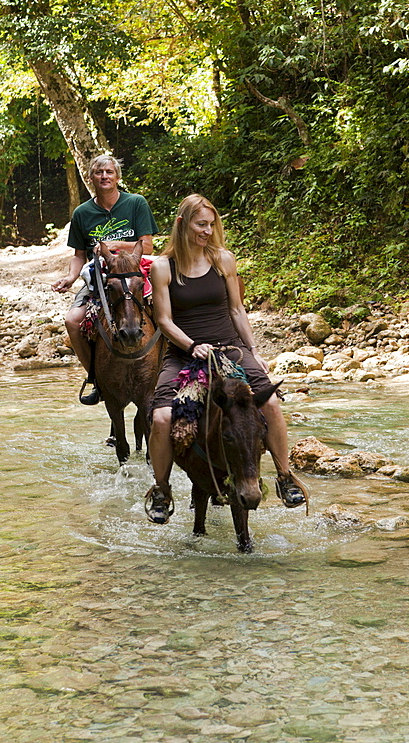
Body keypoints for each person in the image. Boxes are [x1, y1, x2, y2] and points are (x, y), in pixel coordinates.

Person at [145, 193, 307, 524]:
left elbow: (236, 309)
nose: (207, 231)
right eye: (200, 224)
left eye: (212, 224)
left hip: (230, 348)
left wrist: (254, 351)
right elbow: (164, 321)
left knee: (272, 403)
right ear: (182, 224)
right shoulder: (163, 267)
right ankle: (161, 490)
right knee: (161, 418)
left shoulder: (223, 259)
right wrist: (191, 346)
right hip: (183, 353)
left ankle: (284, 476)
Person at [52, 154, 159, 404]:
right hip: (100, 280)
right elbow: (79, 255)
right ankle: (96, 378)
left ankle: (170, 372)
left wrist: (116, 244)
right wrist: (70, 277)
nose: (104, 177)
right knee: (72, 321)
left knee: (168, 312)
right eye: (99, 173)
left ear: (117, 177)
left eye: (109, 172)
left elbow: (149, 246)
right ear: (91, 179)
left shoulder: (136, 203)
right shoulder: (82, 213)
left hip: (136, 275)